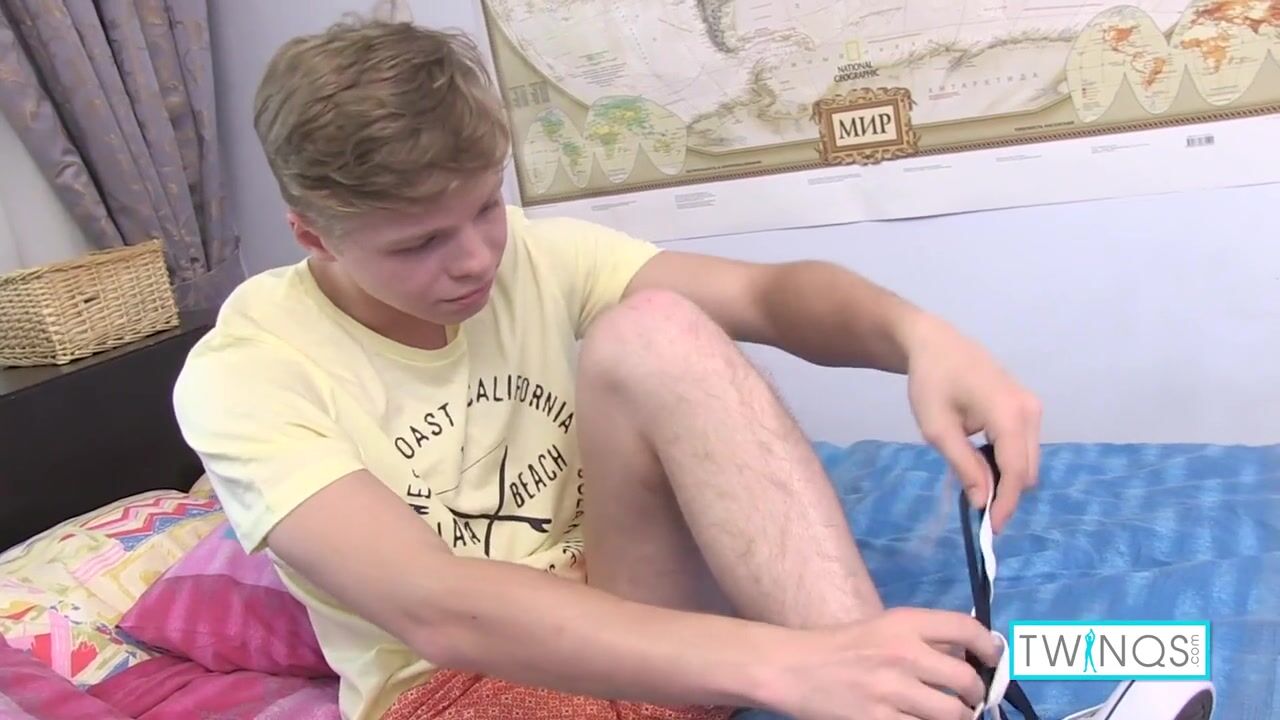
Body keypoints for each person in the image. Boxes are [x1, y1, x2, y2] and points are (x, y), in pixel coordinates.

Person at [172, 15, 1043, 720]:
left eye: (486, 207)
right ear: (313, 235)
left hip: (646, 625)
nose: (476, 259)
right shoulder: (247, 374)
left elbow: (770, 297)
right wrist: (787, 664)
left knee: (657, 327)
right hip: (461, 685)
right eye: (420, 243)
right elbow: (434, 605)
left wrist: (916, 336)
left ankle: (888, 697)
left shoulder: (532, 259)